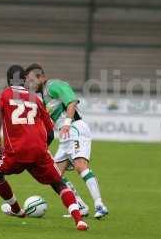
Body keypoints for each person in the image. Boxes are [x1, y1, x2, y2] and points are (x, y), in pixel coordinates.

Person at [0, 65, 88, 231]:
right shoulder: (36, 99)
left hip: (16, 152)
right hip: (39, 151)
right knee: (58, 183)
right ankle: (79, 220)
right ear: (25, 80)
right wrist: (41, 150)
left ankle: (16, 209)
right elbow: (50, 132)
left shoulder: (2, 95)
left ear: (8, 80)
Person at [24, 63, 108, 219]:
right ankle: (80, 207)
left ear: (41, 77)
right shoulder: (41, 98)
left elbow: (71, 102)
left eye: (31, 80)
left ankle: (100, 205)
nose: (29, 84)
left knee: (80, 166)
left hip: (75, 128)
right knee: (54, 174)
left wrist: (67, 124)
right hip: (65, 136)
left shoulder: (54, 85)